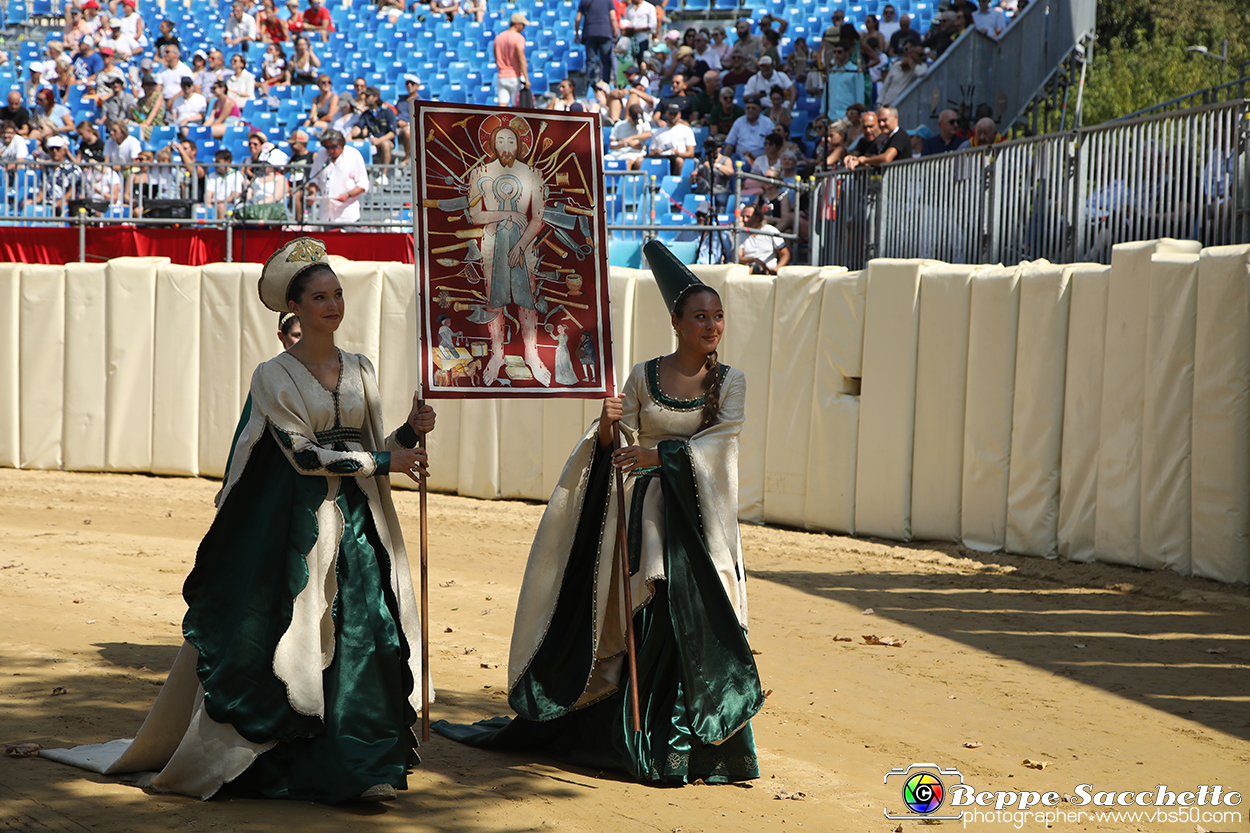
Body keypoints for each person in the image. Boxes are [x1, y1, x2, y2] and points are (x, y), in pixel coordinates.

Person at [40, 237, 438, 806]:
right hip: (303, 532)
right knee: (301, 639)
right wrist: (383, 459)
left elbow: (379, 446)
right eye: (319, 297)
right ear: (293, 309)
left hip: (362, 526)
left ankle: (359, 763)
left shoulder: (362, 368)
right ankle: (296, 767)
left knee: (365, 636)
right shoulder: (272, 375)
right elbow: (303, 456)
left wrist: (409, 432)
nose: (332, 305)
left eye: (337, 294)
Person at [431, 242, 763, 786]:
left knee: (695, 621)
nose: (712, 325)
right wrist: (608, 422)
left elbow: (722, 444)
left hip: (696, 523)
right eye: (700, 315)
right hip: (642, 519)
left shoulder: (731, 382)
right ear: (675, 321)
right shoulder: (641, 375)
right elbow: (616, 444)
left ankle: (696, 748)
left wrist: (662, 454)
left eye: (718, 315)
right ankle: (639, 739)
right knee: (646, 615)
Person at [467, 114, 550, 386]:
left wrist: (520, 245)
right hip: (492, 245)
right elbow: (476, 216)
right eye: (500, 141)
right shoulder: (480, 174)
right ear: (491, 144)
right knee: (495, 297)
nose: (505, 147)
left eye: (511, 141)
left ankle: (531, 352)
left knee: (528, 298)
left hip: (525, 245)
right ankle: (497, 354)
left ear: (519, 145)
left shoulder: (533, 175)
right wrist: (507, 214)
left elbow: (538, 217)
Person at [304, 128, 369, 223]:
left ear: (341, 143)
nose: (331, 150)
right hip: (326, 215)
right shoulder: (321, 154)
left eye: (334, 146)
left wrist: (348, 195)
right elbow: (314, 179)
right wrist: (312, 193)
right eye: (328, 147)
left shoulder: (353, 155)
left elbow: (363, 183)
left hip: (347, 215)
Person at [737, 201, 789, 274]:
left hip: (769, 272)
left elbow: (785, 254)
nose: (745, 220)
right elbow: (737, 257)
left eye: (748, 217)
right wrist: (754, 260)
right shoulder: (741, 233)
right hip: (748, 272)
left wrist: (776, 269)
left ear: (758, 217)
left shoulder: (770, 230)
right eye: (743, 216)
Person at [723, 95, 774, 166]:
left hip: (760, 159)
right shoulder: (739, 122)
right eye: (748, 108)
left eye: (753, 108)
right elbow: (730, 144)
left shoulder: (767, 123)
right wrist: (723, 161)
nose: (750, 110)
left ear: (760, 109)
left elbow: (772, 146)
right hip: (740, 158)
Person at [493, 12, 530, 108]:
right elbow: (521, 58)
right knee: (516, 106)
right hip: (514, 76)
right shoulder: (518, 38)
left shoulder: (498, 38)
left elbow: (496, 56)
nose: (524, 27)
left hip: (501, 76)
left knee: (502, 104)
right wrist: (526, 79)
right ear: (517, 24)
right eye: (523, 25)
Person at [647, 102, 695, 175]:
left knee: (679, 161)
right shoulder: (659, 131)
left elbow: (691, 153)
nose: (672, 116)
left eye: (675, 114)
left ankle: (674, 181)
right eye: (670, 114)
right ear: (666, 114)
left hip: (677, 157)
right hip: (661, 157)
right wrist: (656, 152)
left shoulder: (687, 130)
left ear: (679, 115)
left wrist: (679, 153)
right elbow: (651, 152)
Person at [605, 103, 652, 169]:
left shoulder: (644, 124)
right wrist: (623, 144)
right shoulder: (619, 125)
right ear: (629, 115)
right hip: (620, 153)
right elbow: (612, 145)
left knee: (627, 162)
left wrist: (630, 139)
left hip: (636, 154)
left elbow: (648, 134)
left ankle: (626, 179)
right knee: (604, 160)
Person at [205, 147, 245, 218]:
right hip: (214, 203)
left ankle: (221, 228)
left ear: (228, 162)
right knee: (200, 207)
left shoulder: (237, 175)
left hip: (230, 204)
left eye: (218, 162)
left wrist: (218, 201)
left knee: (221, 206)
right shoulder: (212, 175)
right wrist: (208, 203)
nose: (215, 164)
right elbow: (208, 194)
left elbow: (234, 196)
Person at [620, 0, 658, 67]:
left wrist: (637, 29)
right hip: (631, 40)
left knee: (642, 62)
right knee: (629, 64)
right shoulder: (629, 8)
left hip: (643, 39)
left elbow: (653, 24)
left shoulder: (649, 7)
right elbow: (626, 22)